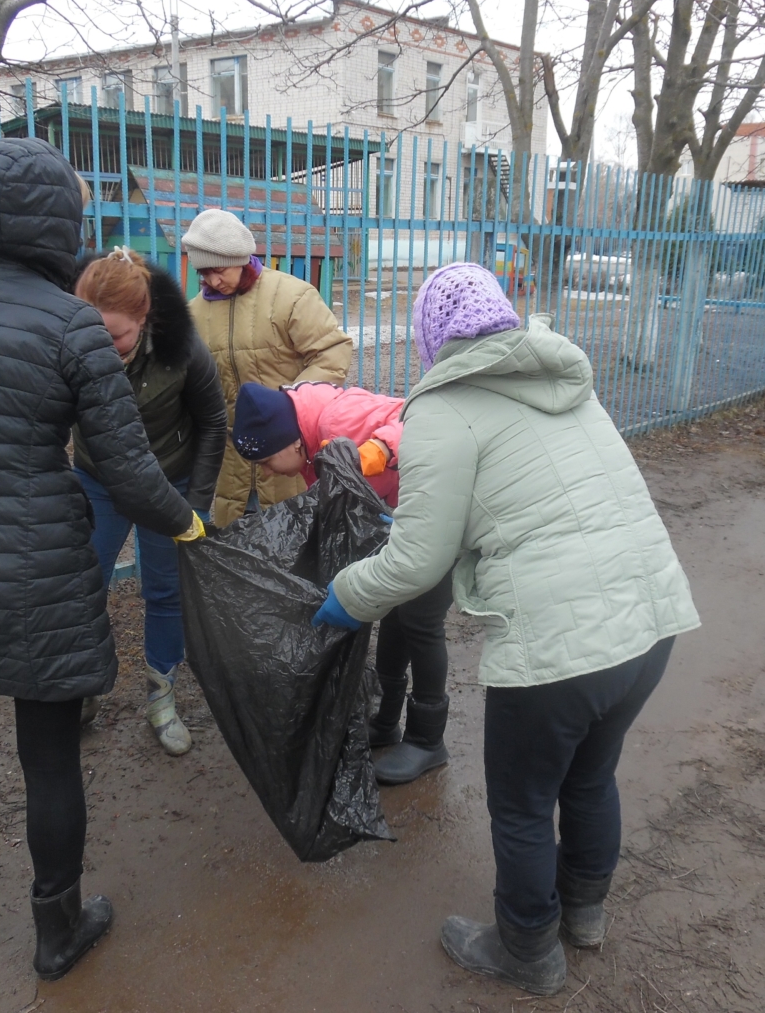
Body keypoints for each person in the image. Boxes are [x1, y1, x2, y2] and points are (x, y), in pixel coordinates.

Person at [312, 262, 700, 996]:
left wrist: (344, 595)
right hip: (649, 622)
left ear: (432, 336)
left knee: (521, 803)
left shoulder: (442, 408)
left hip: (561, 648)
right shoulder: (567, 386)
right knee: (590, 777)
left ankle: (526, 948)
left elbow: (415, 565)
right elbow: (526, 501)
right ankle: (583, 914)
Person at [0, 138, 205, 982]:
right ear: (59, 221)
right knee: (47, 756)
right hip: (32, 578)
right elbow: (128, 467)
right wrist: (187, 526)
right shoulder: (68, 324)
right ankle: (57, 931)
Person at [230, 379, 453, 784]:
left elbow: (423, 420)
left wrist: (381, 447)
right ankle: (386, 721)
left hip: (437, 510)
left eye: (264, 460)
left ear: (290, 442)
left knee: (421, 621)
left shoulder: (336, 420)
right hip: (398, 518)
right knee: (396, 616)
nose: (264, 471)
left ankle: (428, 739)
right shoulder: (310, 442)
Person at [69, 246, 226, 755]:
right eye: (95, 334)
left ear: (144, 318)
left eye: (115, 336)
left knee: (165, 592)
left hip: (169, 483)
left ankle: (162, 694)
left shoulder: (183, 351)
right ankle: (84, 687)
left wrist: (196, 504)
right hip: (100, 481)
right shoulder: (72, 347)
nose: (104, 346)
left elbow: (212, 424)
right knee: (82, 584)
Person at [184, 208, 354, 527]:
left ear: (239, 258)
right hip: (229, 462)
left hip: (289, 450)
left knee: (294, 543)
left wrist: (290, 408)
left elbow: (331, 351)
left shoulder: (291, 296)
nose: (212, 280)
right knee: (239, 551)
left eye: (219, 270)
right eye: (203, 273)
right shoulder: (193, 314)